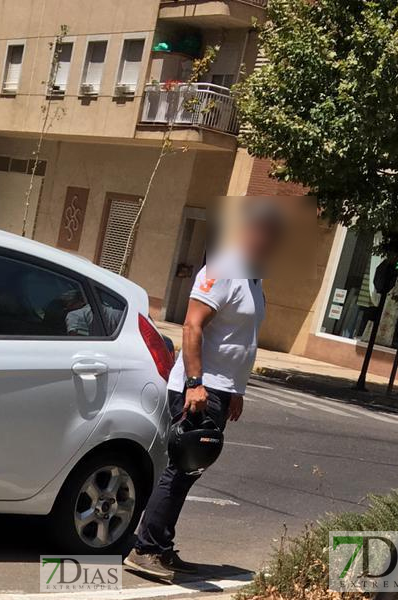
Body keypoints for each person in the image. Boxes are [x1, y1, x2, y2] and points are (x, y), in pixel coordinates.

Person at [124, 199, 285, 581]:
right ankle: (145, 548)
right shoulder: (224, 268)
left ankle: (160, 546)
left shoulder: (253, 277)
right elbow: (193, 326)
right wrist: (195, 383)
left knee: (189, 471)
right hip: (199, 388)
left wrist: (237, 389)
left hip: (220, 389)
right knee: (181, 468)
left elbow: (238, 337)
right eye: (262, 231)